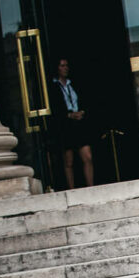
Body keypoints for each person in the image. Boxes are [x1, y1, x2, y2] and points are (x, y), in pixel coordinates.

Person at [49, 58, 93, 189]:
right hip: (65, 124)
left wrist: (82, 112)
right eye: (62, 66)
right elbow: (54, 109)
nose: (65, 68)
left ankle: (91, 187)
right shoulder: (53, 87)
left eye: (66, 65)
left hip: (79, 123)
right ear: (57, 68)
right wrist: (68, 115)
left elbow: (86, 99)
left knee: (87, 156)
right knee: (69, 160)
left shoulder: (74, 83)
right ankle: (72, 189)